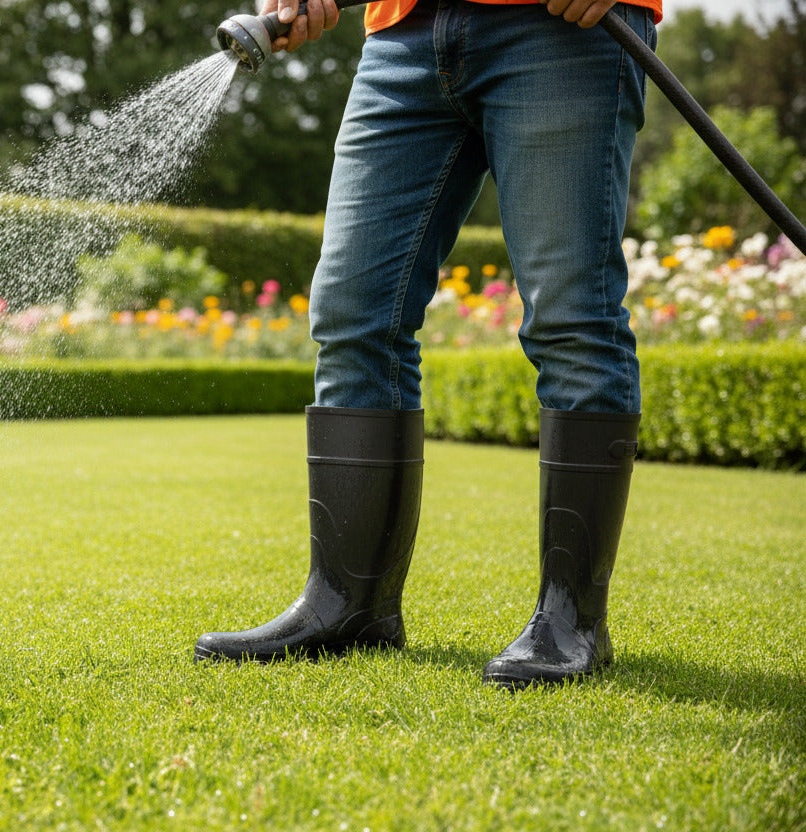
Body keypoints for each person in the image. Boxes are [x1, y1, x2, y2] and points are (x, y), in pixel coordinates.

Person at [195, 0, 661, 689]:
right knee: (352, 314)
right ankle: (350, 605)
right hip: (402, 33)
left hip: (561, 28)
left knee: (572, 318)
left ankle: (572, 623)